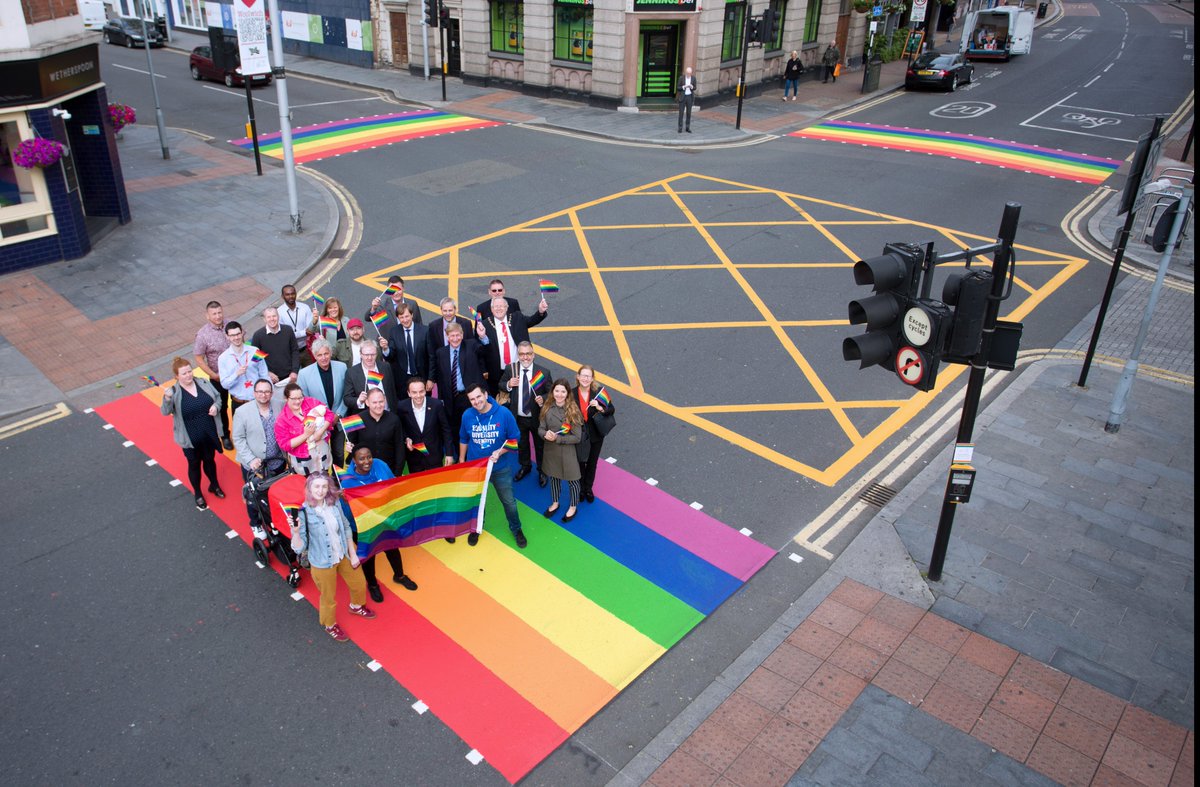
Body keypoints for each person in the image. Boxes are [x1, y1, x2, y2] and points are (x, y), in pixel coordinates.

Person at [286, 473, 374, 642]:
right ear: (309, 489)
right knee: (328, 597)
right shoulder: (304, 513)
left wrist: (352, 553)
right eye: (317, 487)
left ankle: (356, 606)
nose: (321, 490)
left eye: (324, 486)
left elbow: (346, 527)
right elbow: (299, 547)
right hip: (322, 562)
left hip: (343, 554)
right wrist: (295, 532)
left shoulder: (334, 504)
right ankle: (329, 624)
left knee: (359, 583)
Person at [338, 444, 418, 602]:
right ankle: (373, 585)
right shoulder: (347, 482)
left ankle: (400, 576)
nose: (367, 461)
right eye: (361, 458)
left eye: (369, 457)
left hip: (386, 518)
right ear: (354, 460)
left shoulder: (380, 465)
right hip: (362, 526)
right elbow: (349, 513)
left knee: (392, 547)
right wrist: (346, 502)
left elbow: (393, 485)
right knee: (369, 555)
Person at [459, 384, 526, 548]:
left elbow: (515, 439)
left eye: (478, 397)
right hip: (476, 469)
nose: (476, 401)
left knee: (509, 501)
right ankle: (476, 528)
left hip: (500, 468)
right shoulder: (467, 415)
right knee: (477, 502)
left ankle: (516, 529)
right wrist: (461, 460)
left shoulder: (503, 414)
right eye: (472, 399)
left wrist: (500, 452)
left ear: (486, 394)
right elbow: (463, 438)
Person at [160, 357, 226, 511]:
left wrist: (216, 406)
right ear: (177, 376)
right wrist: (167, 398)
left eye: (190, 371)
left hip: (208, 432)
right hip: (190, 437)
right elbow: (165, 411)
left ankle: (214, 485)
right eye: (184, 374)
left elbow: (218, 398)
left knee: (210, 460)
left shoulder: (203, 382)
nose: (189, 375)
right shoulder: (174, 391)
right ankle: (198, 493)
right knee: (194, 464)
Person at [231, 378, 287, 537]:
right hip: (255, 465)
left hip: (277, 461)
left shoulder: (279, 405)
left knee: (275, 493)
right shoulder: (242, 412)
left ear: (272, 392)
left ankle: (274, 519)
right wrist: (250, 459)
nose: (264, 395)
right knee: (253, 494)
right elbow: (239, 438)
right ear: (254, 393)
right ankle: (255, 523)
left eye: (267, 391)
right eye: (260, 391)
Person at [499, 341, 549, 485]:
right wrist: (509, 384)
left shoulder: (543, 372)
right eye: (522, 354)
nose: (525, 357)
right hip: (518, 417)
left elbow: (550, 392)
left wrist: (543, 399)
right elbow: (500, 384)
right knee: (522, 444)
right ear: (518, 355)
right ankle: (525, 466)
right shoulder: (511, 370)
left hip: (537, 418)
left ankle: (542, 470)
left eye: (528, 354)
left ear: (533, 355)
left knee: (540, 445)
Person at [476, 296, 548, 396]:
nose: (499, 309)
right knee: (500, 399)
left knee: (521, 396)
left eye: (501, 306)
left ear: (507, 307)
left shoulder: (517, 317)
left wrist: (540, 311)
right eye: (496, 306)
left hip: (518, 367)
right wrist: (483, 337)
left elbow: (532, 320)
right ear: (491, 309)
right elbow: (480, 350)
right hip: (497, 372)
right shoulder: (484, 324)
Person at [432, 321, 488, 439]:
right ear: (447, 337)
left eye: (458, 335)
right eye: (452, 335)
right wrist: (441, 398)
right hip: (451, 398)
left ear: (462, 335)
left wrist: (482, 337)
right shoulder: (441, 353)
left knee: (476, 426)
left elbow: (484, 351)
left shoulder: (471, 345)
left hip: (470, 397)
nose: (455, 338)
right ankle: (459, 454)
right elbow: (441, 378)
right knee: (456, 429)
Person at [539, 379, 583, 523]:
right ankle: (555, 503)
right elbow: (540, 428)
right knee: (554, 477)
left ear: (567, 393)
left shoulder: (573, 410)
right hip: (551, 450)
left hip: (567, 451)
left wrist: (557, 438)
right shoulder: (547, 407)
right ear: (552, 392)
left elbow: (577, 437)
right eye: (556, 391)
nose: (559, 394)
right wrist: (544, 434)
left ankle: (573, 506)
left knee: (573, 480)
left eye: (563, 391)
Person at [192, 300, 233, 450]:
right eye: (214, 314)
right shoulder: (203, 335)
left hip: (237, 374)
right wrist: (213, 375)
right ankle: (225, 436)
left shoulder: (231, 325)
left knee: (239, 403)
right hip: (218, 378)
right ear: (207, 316)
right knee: (221, 407)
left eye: (219, 312)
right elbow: (198, 358)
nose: (218, 316)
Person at [572, 365, 616, 504]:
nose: (585, 378)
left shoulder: (598, 392)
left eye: (588, 376)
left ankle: (588, 489)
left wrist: (599, 407)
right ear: (578, 377)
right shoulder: (571, 393)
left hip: (596, 435)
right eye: (583, 375)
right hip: (579, 434)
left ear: (592, 379)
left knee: (592, 463)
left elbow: (611, 409)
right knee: (580, 462)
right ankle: (580, 488)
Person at [275, 382, 337, 475]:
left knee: (325, 479)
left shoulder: (311, 402)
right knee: (307, 485)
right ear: (286, 398)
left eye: (300, 397)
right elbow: (285, 444)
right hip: (304, 461)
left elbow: (329, 414)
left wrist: (320, 431)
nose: (298, 401)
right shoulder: (282, 420)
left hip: (321, 453)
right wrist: (306, 435)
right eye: (294, 398)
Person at [398, 376, 454, 472]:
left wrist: (449, 453)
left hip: (434, 456)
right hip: (414, 458)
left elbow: (446, 429)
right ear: (409, 393)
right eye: (414, 392)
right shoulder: (402, 407)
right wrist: (406, 439)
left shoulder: (437, 405)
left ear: (425, 391)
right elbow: (400, 428)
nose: (418, 395)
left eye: (421, 391)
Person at [352, 388, 406, 476]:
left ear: (385, 400)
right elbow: (353, 445)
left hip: (389, 470)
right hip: (364, 472)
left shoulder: (394, 419)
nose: (378, 405)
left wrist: (397, 473)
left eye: (381, 401)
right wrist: (350, 447)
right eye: (374, 402)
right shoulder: (358, 420)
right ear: (367, 403)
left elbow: (399, 448)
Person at [217, 321, 270, 409]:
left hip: (259, 401)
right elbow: (224, 385)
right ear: (227, 337)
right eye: (232, 335)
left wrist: (268, 393)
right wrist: (236, 375)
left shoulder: (255, 351)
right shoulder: (223, 358)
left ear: (242, 333)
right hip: (238, 404)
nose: (236, 337)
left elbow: (264, 374)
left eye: (238, 334)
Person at [383, 303, 430, 395]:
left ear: (412, 315)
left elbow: (431, 356)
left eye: (407, 316)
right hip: (402, 380)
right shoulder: (394, 332)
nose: (405, 320)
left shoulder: (425, 330)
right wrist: (386, 349)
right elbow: (391, 356)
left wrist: (431, 379)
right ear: (398, 318)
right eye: (401, 317)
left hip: (422, 376)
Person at [344, 340, 399, 415]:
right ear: (360, 354)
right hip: (366, 418)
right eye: (366, 355)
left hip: (387, 413)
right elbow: (347, 399)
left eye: (372, 354)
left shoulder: (385, 367)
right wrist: (359, 400)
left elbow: (392, 391)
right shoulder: (351, 372)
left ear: (376, 354)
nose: (369, 358)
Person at [250, 307, 300, 388]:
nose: (272, 319)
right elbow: (256, 361)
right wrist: (267, 373)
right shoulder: (258, 336)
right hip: (272, 380)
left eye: (274, 316)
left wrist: (294, 371)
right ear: (264, 319)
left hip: (291, 376)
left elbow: (294, 351)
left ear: (278, 316)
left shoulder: (288, 330)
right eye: (268, 317)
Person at [298, 339, 348, 417]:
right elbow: (303, 400)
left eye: (326, 353)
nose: (323, 358)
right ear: (314, 356)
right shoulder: (304, 374)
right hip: (318, 422)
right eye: (319, 355)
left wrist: (338, 414)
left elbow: (347, 393)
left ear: (331, 353)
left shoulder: (342, 367)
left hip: (340, 419)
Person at [277, 284, 315, 360]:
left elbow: (310, 330)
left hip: (306, 349)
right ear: (282, 296)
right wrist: (303, 333)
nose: (291, 296)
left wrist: (296, 334)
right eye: (287, 294)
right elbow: (285, 336)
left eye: (292, 294)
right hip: (290, 353)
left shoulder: (305, 307)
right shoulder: (278, 312)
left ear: (296, 294)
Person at [677, 66, 696, 134]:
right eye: (687, 73)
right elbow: (678, 87)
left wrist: (692, 87)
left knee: (688, 113)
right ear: (685, 72)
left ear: (691, 73)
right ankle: (680, 128)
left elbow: (695, 88)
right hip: (683, 97)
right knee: (681, 113)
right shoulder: (681, 78)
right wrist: (683, 87)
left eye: (690, 73)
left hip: (690, 97)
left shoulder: (693, 78)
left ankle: (687, 127)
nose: (688, 74)